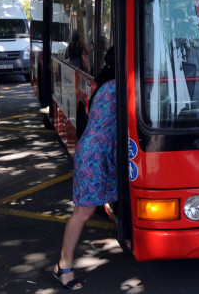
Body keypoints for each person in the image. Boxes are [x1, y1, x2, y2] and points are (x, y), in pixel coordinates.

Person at [54, 48, 116, 290]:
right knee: (83, 212)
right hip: (95, 155)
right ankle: (63, 266)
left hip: (98, 151)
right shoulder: (117, 86)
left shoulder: (103, 83)